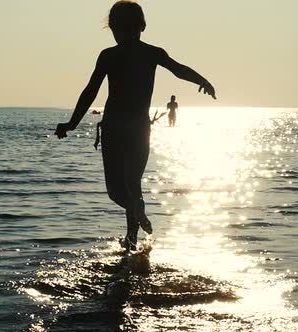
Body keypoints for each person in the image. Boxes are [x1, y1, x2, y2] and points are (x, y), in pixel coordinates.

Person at [55, 1, 216, 251]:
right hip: (134, 128)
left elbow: (91, 91)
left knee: (121, 190)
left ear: (139, 27)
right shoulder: (139, 54)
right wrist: (203, 80)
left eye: (121, 29)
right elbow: (91, 91)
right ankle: (134, 230)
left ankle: (132, 234)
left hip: (120, 128)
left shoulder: (120, 54)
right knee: (131, 186)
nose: (121, 35)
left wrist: (72, 123)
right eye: (118, 30)